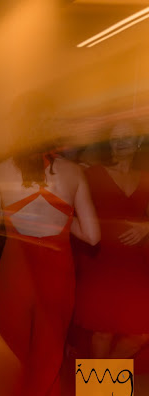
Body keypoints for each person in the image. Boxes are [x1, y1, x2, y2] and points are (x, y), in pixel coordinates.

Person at [0, 132, 100, 396]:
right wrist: (60, 221)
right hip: (57, 270)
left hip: (15, 270)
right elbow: (94, 236)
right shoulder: (73, 172)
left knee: (7, 354)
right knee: (48, 356)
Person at [72, 120, 149, 364]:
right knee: (103, 331)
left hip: (136, 265)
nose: (121, 142)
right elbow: (69, 210)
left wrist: (147, 226)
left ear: (138, 143)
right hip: (102, 260)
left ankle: (103, 382)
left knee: (141, 334)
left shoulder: (146, 177)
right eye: (116, 137)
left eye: (127, 136)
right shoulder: (92, 173)